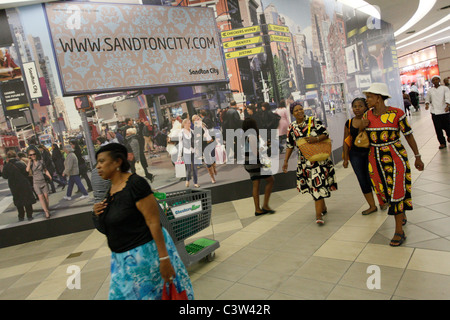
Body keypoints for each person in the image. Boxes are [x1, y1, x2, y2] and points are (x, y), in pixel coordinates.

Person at [92, 143, 194, 300]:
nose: (97, 166)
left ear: (117, 162)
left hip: (146, 259)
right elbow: (110, 227)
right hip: (122, 262)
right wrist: (97, 213)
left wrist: (164, 259)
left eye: (102, 161)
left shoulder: (136, 184)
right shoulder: (111, 190)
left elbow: (154, 222)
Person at [361, 82, 424, 247]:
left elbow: (409, 136)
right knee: (386, 193)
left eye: (369, 97)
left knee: (397, 190)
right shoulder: (367, 116)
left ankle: (398, 231)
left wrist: (417, 156)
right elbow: (361, 138)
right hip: (375, 159)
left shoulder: (397, 114)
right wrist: (361, 127)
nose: (366, 100)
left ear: (379, 98)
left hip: (396, 157)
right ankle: (401, 214)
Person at [282, 101, 337, 225]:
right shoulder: (292, 127)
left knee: (317, 185)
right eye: (296, 110)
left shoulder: (313, 121)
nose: (300, 111)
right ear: (292, 113)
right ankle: (322, 207)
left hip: (319, 160)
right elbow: (290, 145)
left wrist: (315, 139)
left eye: (301, 109)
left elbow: (325, 133)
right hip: (305, 162)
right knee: (315, 186)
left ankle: (318, 215)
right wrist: (285, 161)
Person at [342, 98, 388, 215]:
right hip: (355, 155)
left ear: (366, 107)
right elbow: (346, 141)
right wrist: (346, 158)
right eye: (355, 106)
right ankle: (372, 206)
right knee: (362, 180)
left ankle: (382, 201)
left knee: (374, 178)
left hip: (370, 153)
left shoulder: (371, 120)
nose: (357, 109)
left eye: (360, 106)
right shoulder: (349, 123)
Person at [242, 118, 275, 216]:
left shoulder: (244, 136)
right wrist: (265, 146)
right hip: (255, 163)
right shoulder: (252, 136)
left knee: (256, 184)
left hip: (248, 163)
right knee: (270, 180)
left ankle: (258, 209)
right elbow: (255, 152)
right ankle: (264, 205)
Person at [1, 150, 36, 221]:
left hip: (14, 186)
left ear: (8, 157)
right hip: (24, 184)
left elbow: (5, 176)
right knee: (27, 199)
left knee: (18, 200)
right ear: (15, 156)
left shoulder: (7, 166)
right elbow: (26, 173)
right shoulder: (21, 163)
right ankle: (29, 215)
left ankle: (21, 216)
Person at [425, 75, 450, 149]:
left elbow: (448, 97)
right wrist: (427, 105)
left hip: (445, 111)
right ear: (432, 82)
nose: (435, 81)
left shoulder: (444, 88)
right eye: (434, 80)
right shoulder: (430, 90)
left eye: (437, 79)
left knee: (448, 127)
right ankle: (442, 143)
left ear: (439, 80)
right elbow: (427, 99)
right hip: (435, 112)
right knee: (438, 129)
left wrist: (448, 106)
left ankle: (449, 136)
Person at [26, 147, 52, 219]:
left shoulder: (41, 161)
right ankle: (46, 212)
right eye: (30, 155)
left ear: (36, 153)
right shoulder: (30, 163)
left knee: (46, 197)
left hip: (43, 181)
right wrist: (29, 161)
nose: (32, 156)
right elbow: (27, 170)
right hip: (36, 182)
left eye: (34, 154)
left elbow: (45, 169)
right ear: (29, 156)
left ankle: (47, 208)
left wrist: (49, 175)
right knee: (41, 198)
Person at [177, 118, 199, 188]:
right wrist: (179, 154)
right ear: (184, 124)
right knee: (188, 168)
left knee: (195, 168)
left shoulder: (192, 131)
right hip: (186, 152)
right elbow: (180, 144)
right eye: (188, 123)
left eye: (190, 123)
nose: (190, 124)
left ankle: (195, 182)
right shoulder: (181, 133)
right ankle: (187, 179)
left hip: (193, 152)